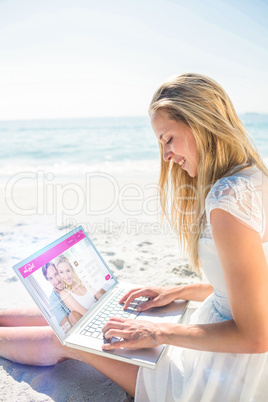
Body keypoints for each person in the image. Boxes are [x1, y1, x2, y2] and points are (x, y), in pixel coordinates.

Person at [0, 73, 267, 401]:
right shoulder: (254, 178)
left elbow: (256, 335)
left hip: (226, 374)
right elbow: (252, 285)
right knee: (93, 313)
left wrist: (156, 332)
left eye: (168, 138)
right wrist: (180, 290)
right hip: (221, 340)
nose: (166, 155)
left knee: (70, 337)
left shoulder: (227, 201)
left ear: (201, 123)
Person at [42, 262, 82, 333]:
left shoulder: (72, 282)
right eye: (51, 278)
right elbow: (66, 328)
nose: (56, 281)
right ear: (48, 280)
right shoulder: (53, 299)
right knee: (73, 316)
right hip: (80, 326)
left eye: (56, 274)